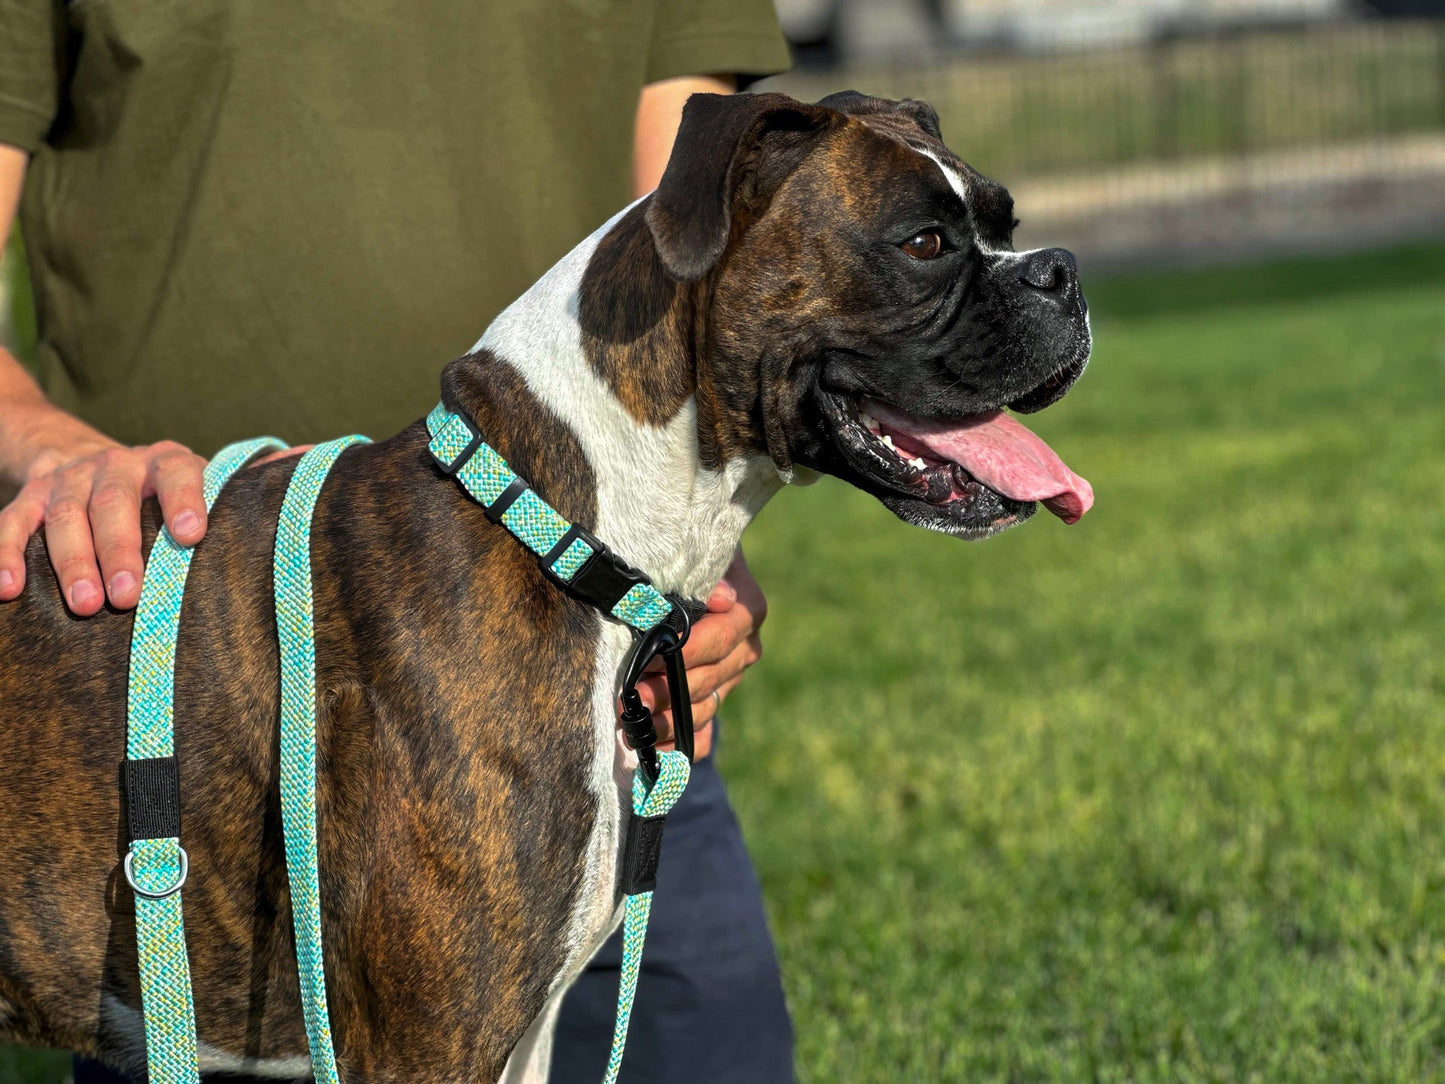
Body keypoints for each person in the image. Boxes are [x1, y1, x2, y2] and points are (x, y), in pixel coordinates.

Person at [0, 2, 794, 1080]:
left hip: (598, 670)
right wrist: (48, 446)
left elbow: (692, 248)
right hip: (188, 707)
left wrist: (694, 536)